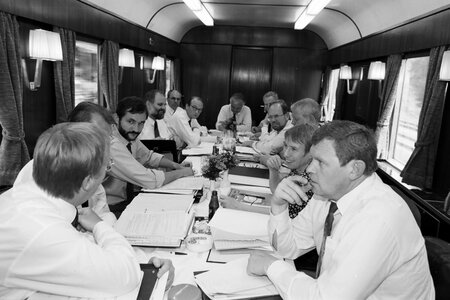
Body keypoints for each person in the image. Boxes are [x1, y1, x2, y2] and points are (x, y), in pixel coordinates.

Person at [247, 120, 435, 299]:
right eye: (311, 159)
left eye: (320, 162)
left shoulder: (378, 218)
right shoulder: (326, 195)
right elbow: (289, 248)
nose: (310, 169)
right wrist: (279, 206)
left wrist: (271, 267)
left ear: (355, 170)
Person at [0, 123, 174, 299]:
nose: (107, 173)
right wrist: (100, 226)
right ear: (88, 182)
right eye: (107, 167)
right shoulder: (42, 229)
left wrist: (144, 263)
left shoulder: (39, 183)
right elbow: (124, 276)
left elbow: (82, 255)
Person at [13, 102, 118, 226]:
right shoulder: (40, 169)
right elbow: (37, 225)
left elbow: (102, 212)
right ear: (75, 130)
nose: (103, 143)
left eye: (107, 138)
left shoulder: (92, 165)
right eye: (98, 135)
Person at [103, 96, 193, 215]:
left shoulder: (129, 137)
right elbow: (150, 180)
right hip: (112, 208)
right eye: (130, 122)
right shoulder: (113, 145)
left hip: (131, 199)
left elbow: (149, 156)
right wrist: (182, 173)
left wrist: (175, 165)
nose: (136, 129)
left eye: (141, 123)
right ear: (116, 118)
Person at [220, 124, 317, 218]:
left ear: (311, 153)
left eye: (294, 149)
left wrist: (239, 206)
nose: (286, 154)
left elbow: (283, 213)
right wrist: (273, 170)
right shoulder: (299, 169)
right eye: (286, 146)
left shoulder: (309, 180)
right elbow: (277, 192)